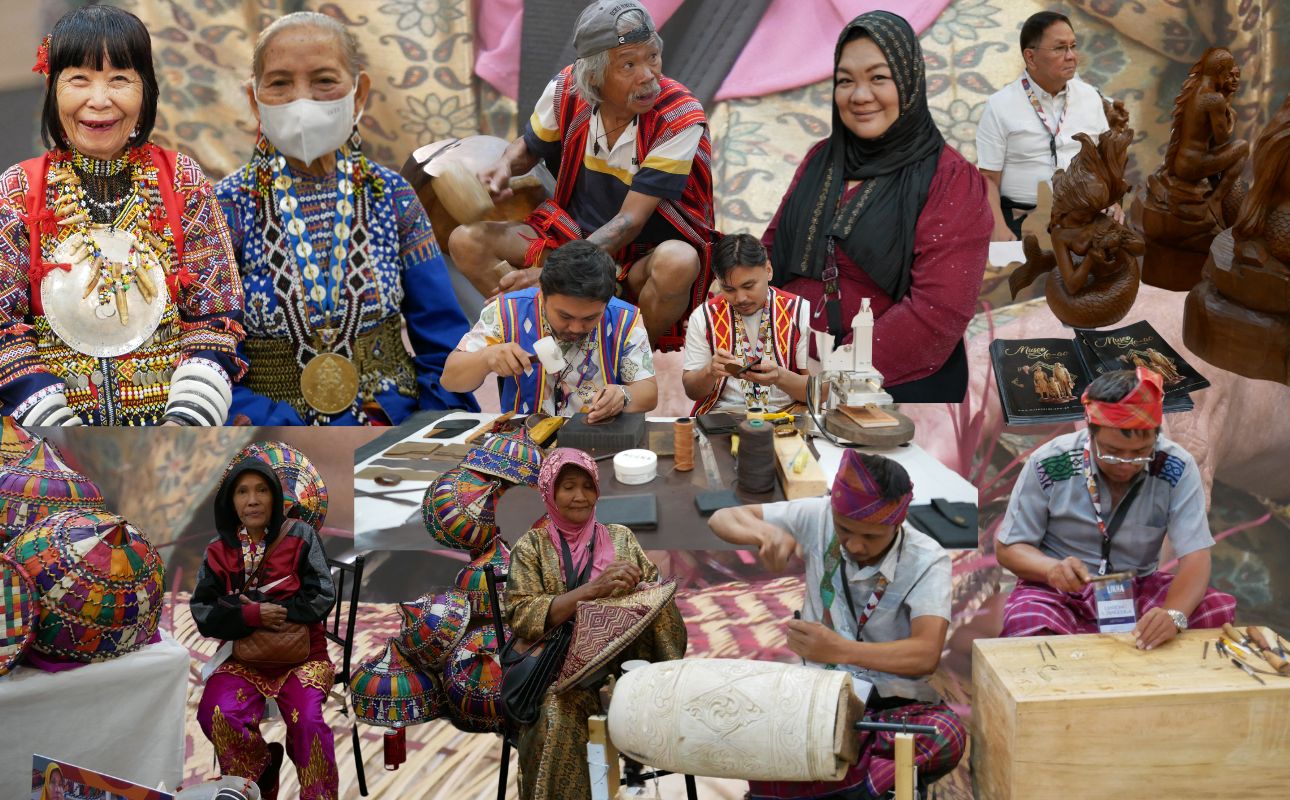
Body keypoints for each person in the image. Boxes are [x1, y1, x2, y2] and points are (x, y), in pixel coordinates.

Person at [216, 12, 476, 425]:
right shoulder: (226, 207)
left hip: (392, 418)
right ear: (255, 99)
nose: (302, 99)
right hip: (271, 430)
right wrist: (269, 424)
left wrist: (429, 425)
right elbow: (210, 351)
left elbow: (442, 338)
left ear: (358, 94)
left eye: (323, 80)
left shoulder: (392, 197)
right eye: (280, 83)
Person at [0, 5, 245, 426]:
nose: (99, 100)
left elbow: (214, 318)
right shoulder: (19, 191)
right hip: (51, 440)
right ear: (52, 90)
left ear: (145, 91)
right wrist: (64, 437)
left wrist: (183, 426)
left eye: (119, 79)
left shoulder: (182, 181)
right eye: (79, 79)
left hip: (174, 438)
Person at [448, 0, 714, 350]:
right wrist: (503, 166)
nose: (648, 75)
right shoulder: (568, 88)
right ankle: (542, 341)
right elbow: (529, 148)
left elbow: (629, 222)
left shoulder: (679, 116)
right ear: (593, 76)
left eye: (652, 57)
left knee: (679, 262)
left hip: (637, 256)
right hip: (569, 234)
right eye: (629, 64)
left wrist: (556, 274)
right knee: (466, 241)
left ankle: (623, 360)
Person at [708, 450, 964, 799]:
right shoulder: (819, 516)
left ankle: (840, 783)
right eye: (846, 531)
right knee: (753, 734)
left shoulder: (927, 559)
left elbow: (925, 654)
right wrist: (766, 534)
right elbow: (724, 517)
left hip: (889, 705)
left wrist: (840, 650)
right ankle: (863, 782)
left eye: (872, 537)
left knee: (945, 734)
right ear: (834, 511)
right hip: (818, 698)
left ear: (897, 523)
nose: (856, 544)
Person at [763, 11, 990, 404]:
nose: (860, 95)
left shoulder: (950, 178)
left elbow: (936, 312)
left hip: (882, 394)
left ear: (909, 81)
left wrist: (833, 377)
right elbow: (769, 256)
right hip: (786, 377)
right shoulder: (822, 159)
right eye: (845, 80)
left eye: (878, 78)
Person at [996, 368, 1236, 648]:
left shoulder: (1176, 466)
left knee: (1212, 608)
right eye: (1111, 452)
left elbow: (1196, 558)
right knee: (1029, 620)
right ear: (1090, 431)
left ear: (1155, 435)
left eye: (1140, 452)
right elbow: (1009, 548)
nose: (1126, 464)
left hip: (1137, 588)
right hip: (1059, 590)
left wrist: (1173, 615)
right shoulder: (1050, 463)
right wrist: (1051, 569)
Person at [506, 448, 686, 800]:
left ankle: (669, 698)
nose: (580, 496)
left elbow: (653, 597)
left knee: (662, 601)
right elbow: (523, 617)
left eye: (588, 486)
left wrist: (642, 588)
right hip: (561, 676)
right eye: (568, 487)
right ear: (549, 492)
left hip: (624, 667)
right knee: (557, 718)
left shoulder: (619, 537)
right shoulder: (532, 547)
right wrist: (592, 592)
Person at [192, 458, 338, 800]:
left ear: (274, 496)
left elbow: (322, 595)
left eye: (261, 490)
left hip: (303, 657)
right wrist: (251, 616)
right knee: (216, 712)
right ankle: (258, 777)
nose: (252, 500)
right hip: (243, 658)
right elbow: (203, 612)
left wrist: (280, 612)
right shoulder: (218, 550)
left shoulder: (301, 536)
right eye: (242, 492)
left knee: (309, 724)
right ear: (230, 501)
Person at [442, 240, 657, 420]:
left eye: (590, 318)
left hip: (599, 439)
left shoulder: (625, 320)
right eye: (565, 316)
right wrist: (487, 357)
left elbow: (648, 392)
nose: (575, 327)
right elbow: (450, 380)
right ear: (542, 294)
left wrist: (623, 394)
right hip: (525, 444)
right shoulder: (506, 312)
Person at [976, 11, 1113, 241]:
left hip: (1085, 217)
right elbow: (988, 178)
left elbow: (1105, 160)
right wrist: (998, 227)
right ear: (1030, 57)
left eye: (1073, 46)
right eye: (1060, 48)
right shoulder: (999, 106)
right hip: (1023, 220)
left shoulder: (1089, 97)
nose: (1071, 56)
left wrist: (1113, 202)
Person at [682, 233, 810, 414]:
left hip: (787, 415)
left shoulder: (799, 311)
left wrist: (780, 377)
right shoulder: (704, 317)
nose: (740, 298)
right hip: (724, 418)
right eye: (728, 289)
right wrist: (709, 371)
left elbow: (817, 392)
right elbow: (692, 391)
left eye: (749, 286)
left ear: (768, 271)